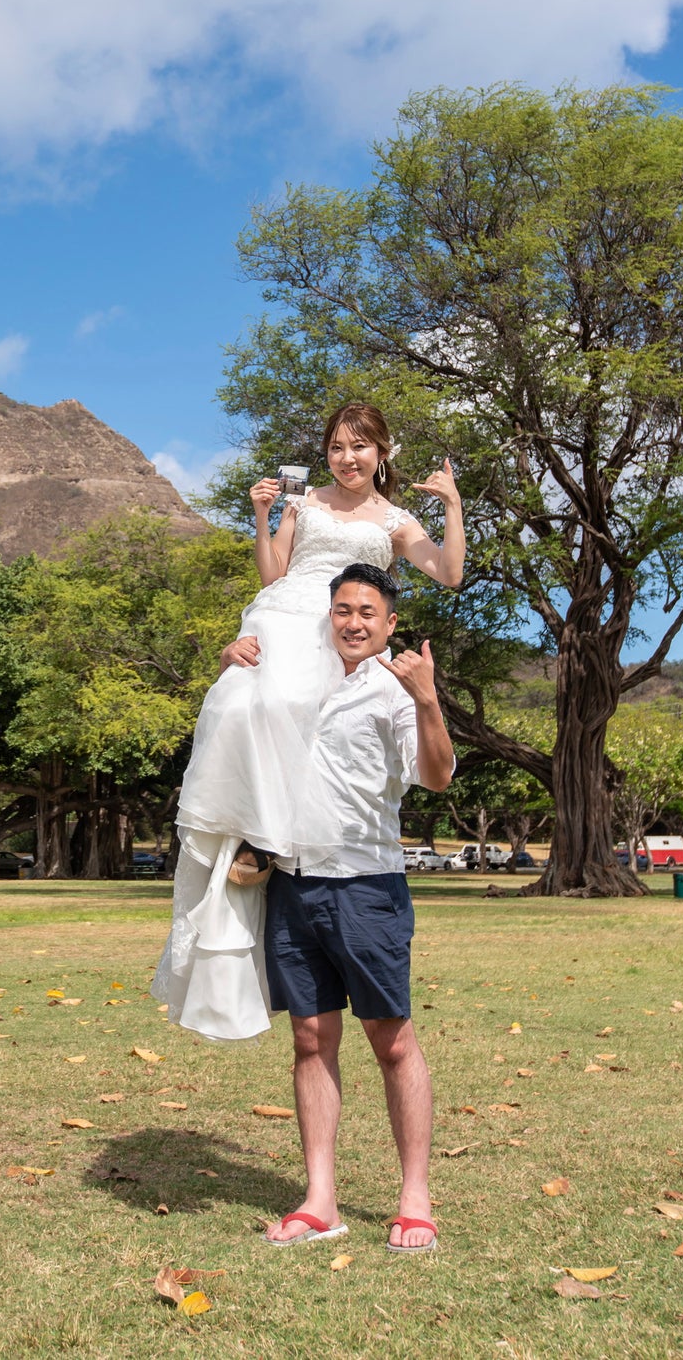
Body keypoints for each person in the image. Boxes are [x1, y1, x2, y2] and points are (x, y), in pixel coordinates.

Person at [152, 403, 463, 1043]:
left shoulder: (395, 520)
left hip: (345, 627)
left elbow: (449, 573)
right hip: (290, 613)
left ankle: (280, 835)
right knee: (244, 704)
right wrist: (262, 516)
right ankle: (249, 832)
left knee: (313, 725)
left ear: (382, 453)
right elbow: (275, 574)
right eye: (337, 448)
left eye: (360, 447)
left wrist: (452, 507)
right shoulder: (304, 502)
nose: (348, 459)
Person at [257, 562, 454, 1251]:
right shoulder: (297, 677)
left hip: (366, 884)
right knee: (310, 1038)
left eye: (368, 611)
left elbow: (436, 776)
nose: (353, 622)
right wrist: (232, 655)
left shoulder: (397, 692)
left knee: (391, 1038)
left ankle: (415, 1198)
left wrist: (428, 701)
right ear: (328, 615)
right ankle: (319, 1200)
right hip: (293, 882)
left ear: (390, 622)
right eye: (343, 609)